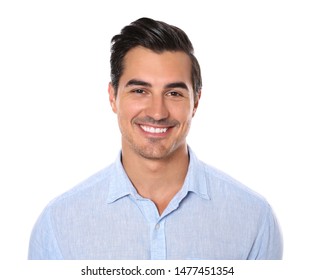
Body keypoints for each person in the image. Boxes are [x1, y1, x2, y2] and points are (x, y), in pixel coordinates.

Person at [28, 17, 283, 260]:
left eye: (173, 93)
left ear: (196, 102)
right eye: (140, 90)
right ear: (112, 97)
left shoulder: (254, 218)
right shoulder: (58, 223)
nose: (157, 112)